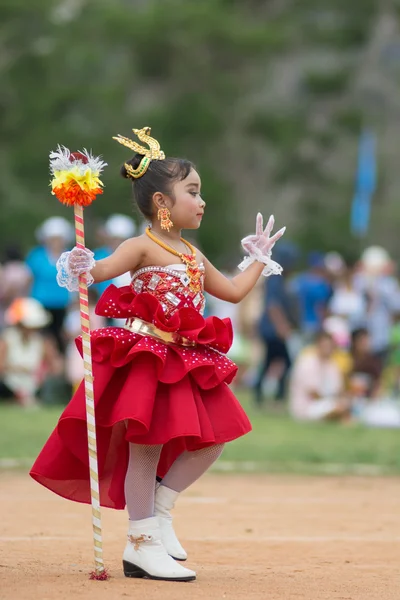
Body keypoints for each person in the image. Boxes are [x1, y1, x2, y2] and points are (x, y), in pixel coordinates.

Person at [30, 127, 286, 583]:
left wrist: (258, 261)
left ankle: (161, 512)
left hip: (185, 360)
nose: (202, 200)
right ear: (162, 203)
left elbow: (231, 292)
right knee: (145, 449)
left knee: (214, 438)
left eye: (201, 192)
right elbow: (99, 272)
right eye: (192, 191)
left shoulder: (191, 252)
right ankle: (141, 543)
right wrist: (81, 264)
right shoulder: (143, 244)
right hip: (147, 358)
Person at [253, 243, 300, 405]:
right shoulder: (274, 280)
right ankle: (276, 395)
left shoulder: (281, 280)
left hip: (272, 329)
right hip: (272, 330)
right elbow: (273, 306)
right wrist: (282, 327)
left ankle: (262, 394)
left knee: (270, 361)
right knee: (285, 362)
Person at [0, 298, 63, 407]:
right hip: (9, 384)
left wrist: (44, 372)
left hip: (34, 384)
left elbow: (55, 366)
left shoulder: (42, 341)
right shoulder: (7, 339)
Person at [25, 216, 75, 352]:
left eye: (58, 238)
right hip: (40, 303)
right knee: (41, 335)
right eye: (52, 238)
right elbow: (28, 279)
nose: (55, 242)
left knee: (61, 335)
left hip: (64, 304)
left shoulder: (71, 255)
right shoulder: (36, 255)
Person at [288, 331, 348, 422]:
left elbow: (338, 389)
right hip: (306, 407)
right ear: (318, 345)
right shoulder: (307, 362)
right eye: (325, 346)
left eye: (330, 346)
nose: (327, 349)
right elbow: (313, 393)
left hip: (326, 402)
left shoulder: (332, 365)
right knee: (339, 407)